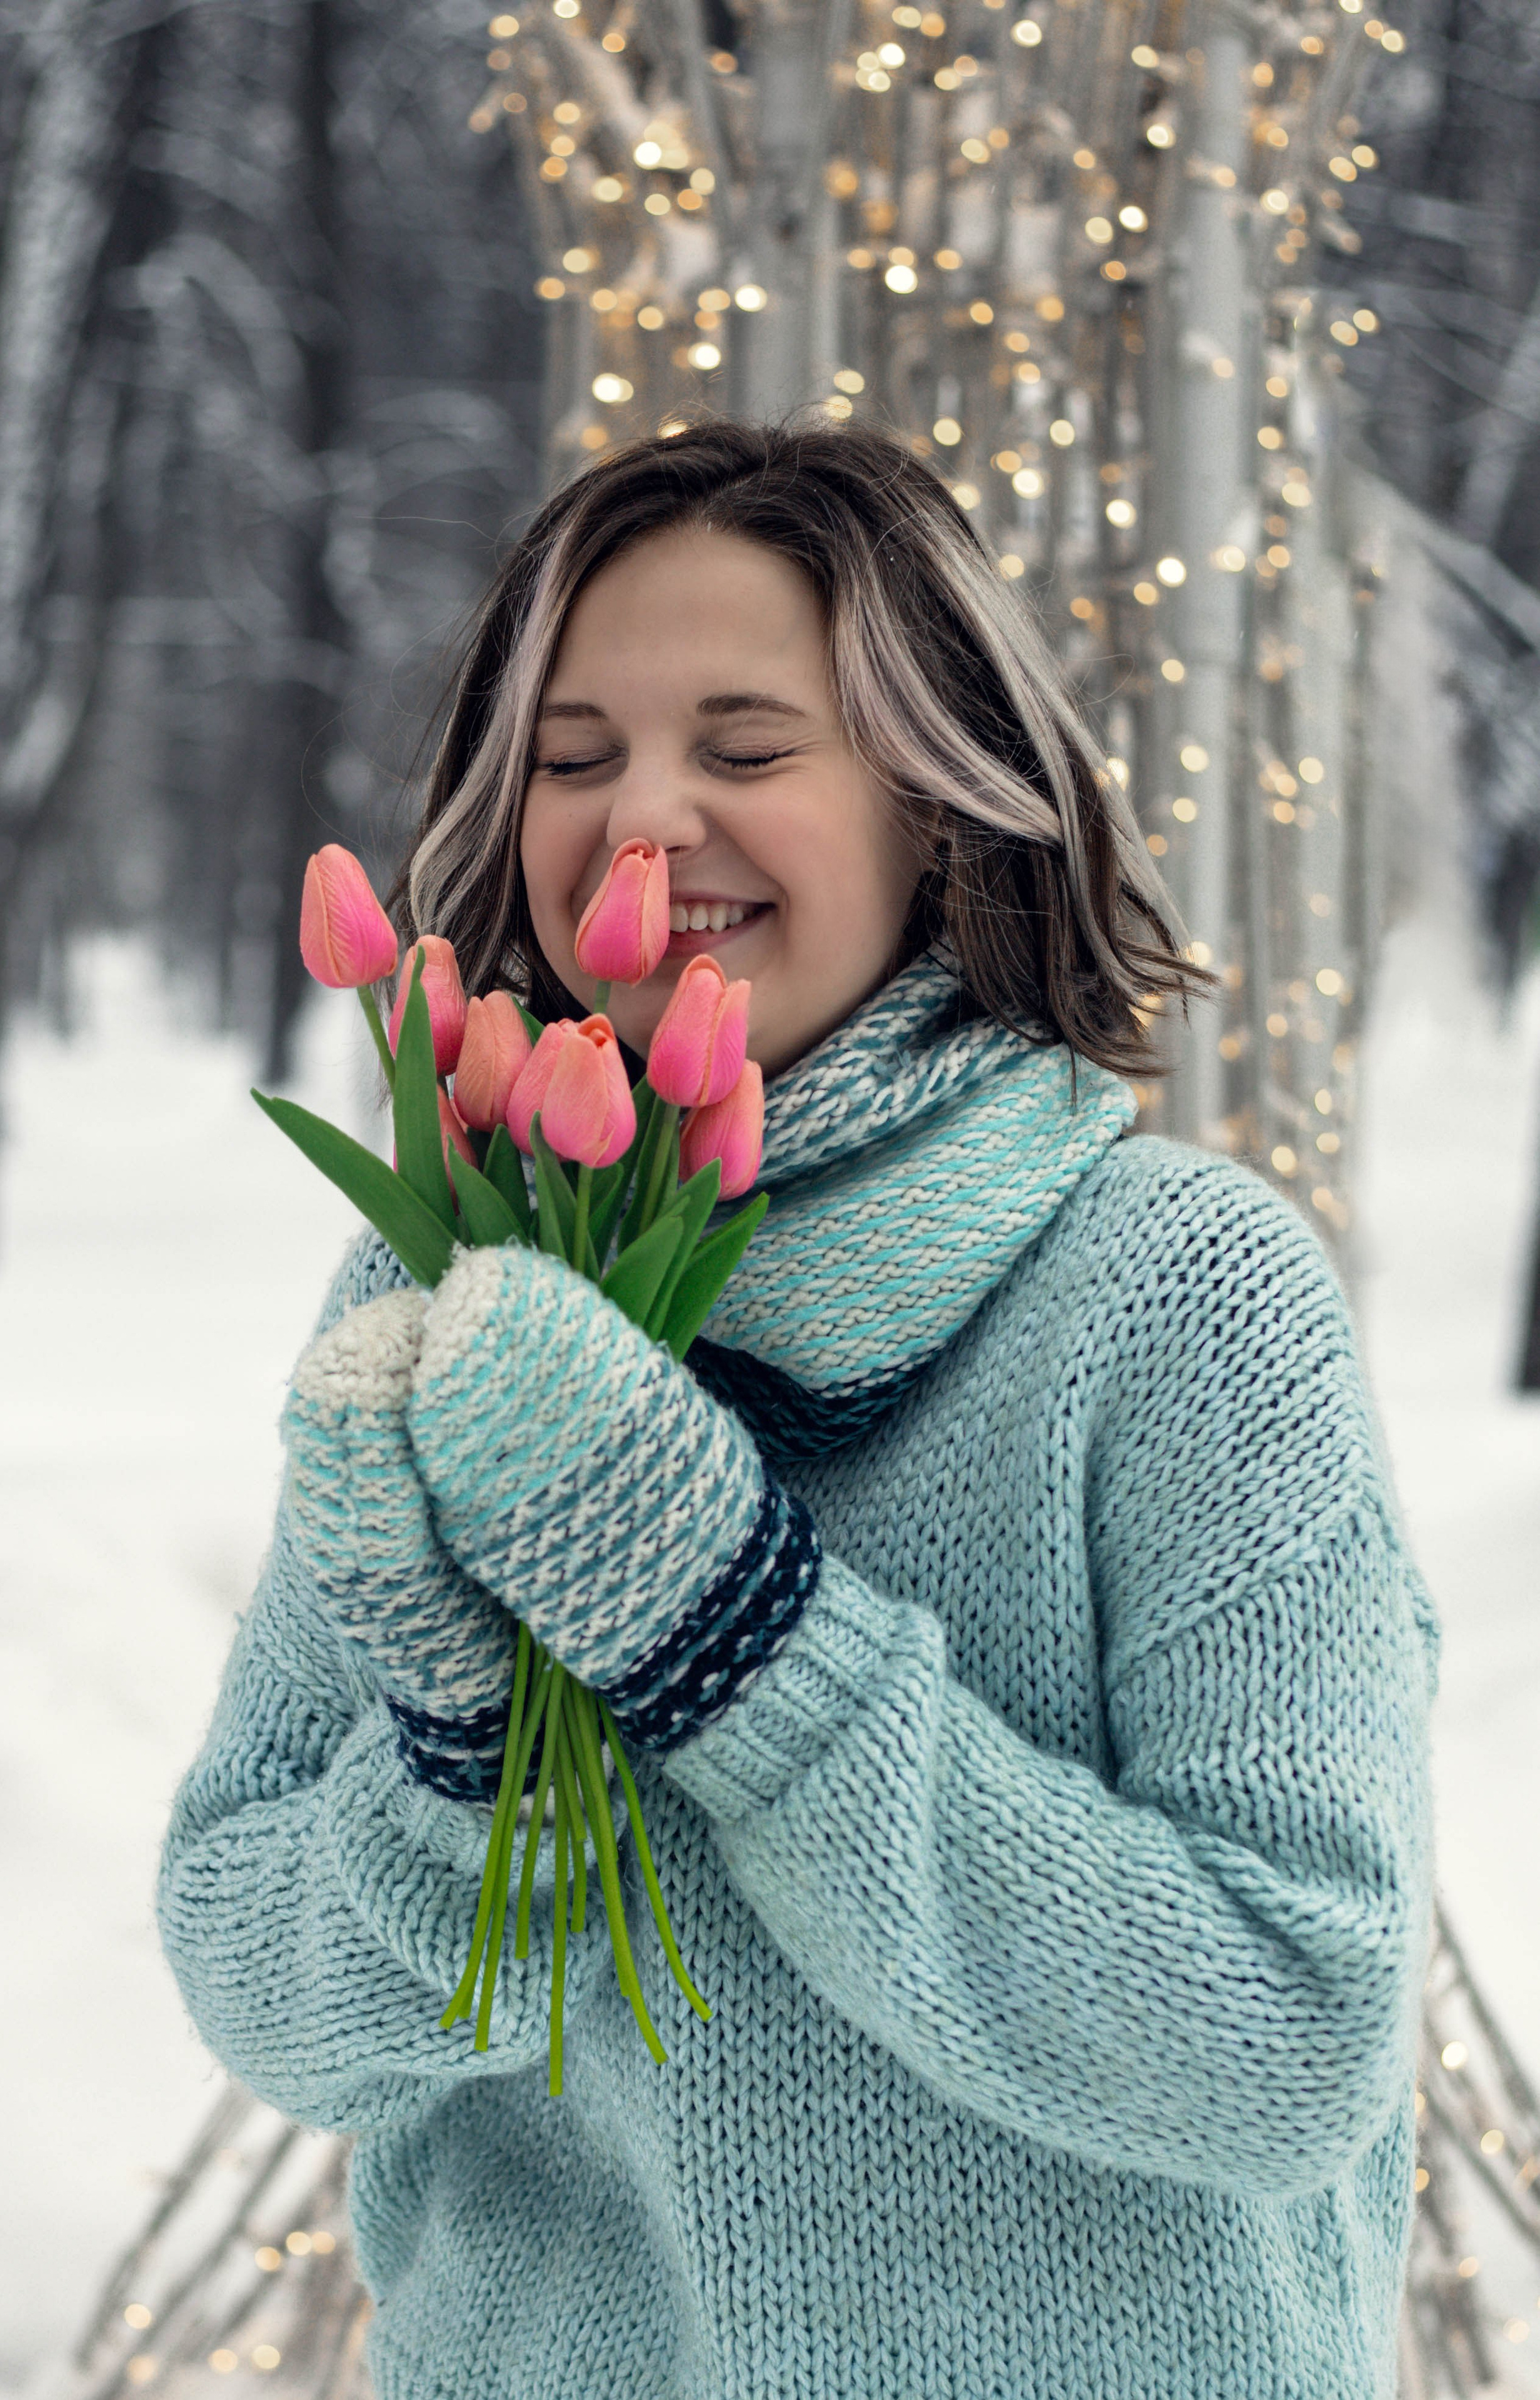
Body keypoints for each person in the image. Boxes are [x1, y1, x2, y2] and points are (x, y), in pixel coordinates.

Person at [159, 419, 1438, 2400]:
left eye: (745, 748)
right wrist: (457, 1762)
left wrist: (730, 1632)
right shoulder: (443, 1297)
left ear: (942, 804)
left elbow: (1290, 2035)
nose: (644, 822)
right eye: (575, 759)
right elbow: (269, 1994)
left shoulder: (1178, 1292)